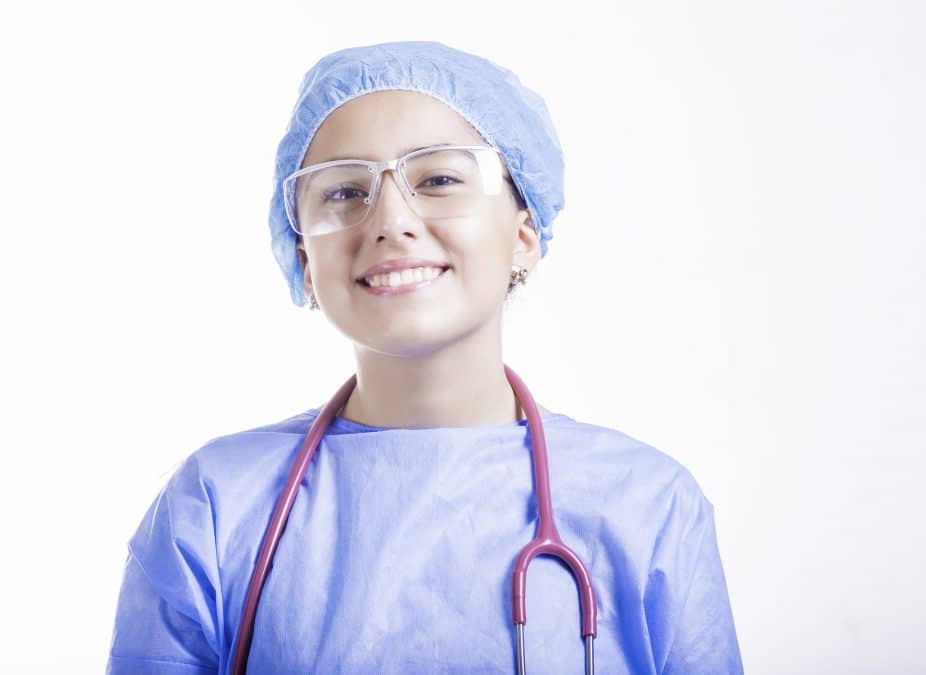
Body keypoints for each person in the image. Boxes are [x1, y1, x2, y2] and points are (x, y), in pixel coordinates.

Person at [105, 41, 744, 674]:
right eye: (343, 192)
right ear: (303, 256)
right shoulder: (216, 507)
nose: (391, 220)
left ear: (525, 232)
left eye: (439, 179)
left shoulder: (650, 504)